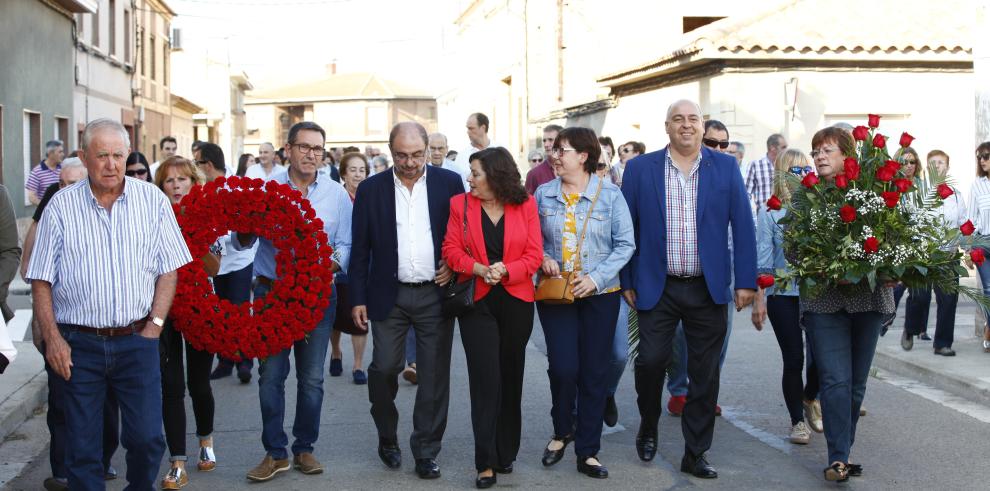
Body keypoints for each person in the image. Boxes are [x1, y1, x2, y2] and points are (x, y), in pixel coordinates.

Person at [26, 118, 192, 490]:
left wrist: (156, 326)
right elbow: (40, 278)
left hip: (137, 340)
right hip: (78, 345)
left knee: (148, 439)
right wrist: (53, 339)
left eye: (118, 155)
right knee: (84, 447)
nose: (112, 164)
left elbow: (169, 269)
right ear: (85, 157)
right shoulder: (61, 207)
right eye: (102, 155)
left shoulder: (152, 201)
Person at [621, 100, 756, 480]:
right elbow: (627, 230)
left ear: (701, 126)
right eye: (678, 120)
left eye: (692, 119)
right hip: (656, 286)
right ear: (666, 127)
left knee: (705, 373)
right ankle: (648, 423)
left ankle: (695, 452)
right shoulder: (639, 169)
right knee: (649, 361)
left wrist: (746, 281)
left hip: (706, 288)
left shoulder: (726, 167)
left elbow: (743, 226)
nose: (686, 125)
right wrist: (627, 280)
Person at [238, 122, 352, 482]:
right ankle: (275, 452)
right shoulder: (266, 190)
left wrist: (325, 265)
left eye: (318, 149)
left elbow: (346, 245)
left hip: (318, 293)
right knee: (270, 375)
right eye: (304, 147)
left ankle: (304, 447)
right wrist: (246, 225)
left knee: (312, 378)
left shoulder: (335, 194)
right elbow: (243, 244)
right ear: (288, 149)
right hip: (272, 291)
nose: (311, 154)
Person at [349, 121, 464, 479]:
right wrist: (357, 297)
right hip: (389, 295)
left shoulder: (449, 184)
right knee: (383, 368)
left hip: (435, 294)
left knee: (432, 377)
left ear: (428, 149)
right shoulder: (371, 190)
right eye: (402, 155)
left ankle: (426, 450)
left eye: (417, 154)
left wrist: (453, 264)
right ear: (390, 151)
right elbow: (360, 248)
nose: (411, 162)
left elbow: (461, 235)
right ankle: (387, 435)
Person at [534, 127, 634, 479]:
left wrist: (595, 279)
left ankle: (588, 450)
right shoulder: (543, 194)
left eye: (562, 150)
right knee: (563, 367)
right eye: (555, 150)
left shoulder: (610, 196)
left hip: (599, 296)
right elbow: (531, 240)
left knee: (594, 370)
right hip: (556, 293)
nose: (555, 156)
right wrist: (543, 257)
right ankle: (562, 431)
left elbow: (625, 244)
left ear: (583, 156)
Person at [441, 146, 541, 488]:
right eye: (470, 172)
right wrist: (481, 269)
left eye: (476, 173)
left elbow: (534, 254)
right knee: (485, 380)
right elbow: (451, 250)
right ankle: (484, 461)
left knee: (511, 377)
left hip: (517, 300)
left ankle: (505, 452)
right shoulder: (460, 205)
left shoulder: (525, 204)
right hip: (477, 302)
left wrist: (506, 271)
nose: (469, 179)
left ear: (495, 176)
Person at [801, 126, 893, 481]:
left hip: (868, 300)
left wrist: (889, 270)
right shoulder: (805, 197)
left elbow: (893, 238)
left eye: (827, 150)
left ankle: (844, 447)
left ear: (847, 156)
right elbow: (795, 249)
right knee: (835, 380)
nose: (820, 157)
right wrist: (826, 266)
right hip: (825, 302)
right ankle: (838, 457)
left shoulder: (875, 192)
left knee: (855, 384)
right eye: (816, 152)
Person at [25, 160, 120, 490]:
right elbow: (31, 269)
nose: (65, 190)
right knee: (63, 405)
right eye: (61, 184)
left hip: (105, 332)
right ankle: (63, 471)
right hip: (62, 329)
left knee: (106, 408)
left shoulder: (111, 214)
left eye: (73, 183)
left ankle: (102, 459)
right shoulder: (49, 213)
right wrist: (43, 327)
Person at [153, 156, 218, 490]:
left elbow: (214, 268)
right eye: (168, 180)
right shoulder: (150, 217)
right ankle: (177, 461)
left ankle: (205, 441)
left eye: (182, 179)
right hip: (163, 309)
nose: (176, 185)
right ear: (161, 187)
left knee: (199, 384)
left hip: (200, 308)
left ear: (194, 183)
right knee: (171, 386)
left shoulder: (207, 217)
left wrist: (192, 236)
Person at [751, 148, 822, 445]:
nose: (804, 176)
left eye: (807, 170)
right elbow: (764, 261)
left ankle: (809, 398)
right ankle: (796, 422)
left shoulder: (821, 207)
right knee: (794, 359)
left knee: (821, 359)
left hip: (818, 294)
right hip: (784, 295)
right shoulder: (770, 212)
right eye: (797, 170)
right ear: (782, 174)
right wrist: (759, 299)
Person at [666, 119, 737, 419]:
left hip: (723, 263)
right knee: (681, 334)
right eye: (712, 143)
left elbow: (744, 222)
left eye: (723, 144)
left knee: (721, 332)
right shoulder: (684, 171)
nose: (718, 149)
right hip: (685, 264)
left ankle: (705, 390)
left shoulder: (730, 171)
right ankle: (680, 390)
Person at [901, 150, 967, 356]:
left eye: (941, 163)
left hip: (948, 256)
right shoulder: (915, 194)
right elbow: (907, 224)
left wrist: (969, 247)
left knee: (948, 300)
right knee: (919, 298)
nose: (937, 166)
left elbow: (964, 223)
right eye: (932, 163)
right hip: (922, 255)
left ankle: (942, 343)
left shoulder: (956, 196)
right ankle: (911, 329)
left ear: (947, 167)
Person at [203, 144, 259, 384]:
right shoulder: (202, 190)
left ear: (207, 165)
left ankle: (245, 361)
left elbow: (238, 229)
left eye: (197, 163)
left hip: (237, 261)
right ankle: (225, 360)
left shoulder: (234, 187)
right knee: (220, 314)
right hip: (215, 264)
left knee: (239, 312)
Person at [329, 152, 370, 384]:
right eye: (353, 170)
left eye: (362, 170)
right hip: (337, 265)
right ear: (343, 173)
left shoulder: (370, 195)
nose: (357, 174)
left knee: (361, 316)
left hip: (362, 265)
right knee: (336, 315)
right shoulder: (336, 196)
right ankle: (336, 352)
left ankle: (357, 365)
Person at [968, 141, 990, 354]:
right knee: (989, 290)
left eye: (986, 156)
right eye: (980, 157)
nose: (982, 160)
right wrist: (970, 246)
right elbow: (972, 218)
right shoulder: (977, 184)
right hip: (984, 242)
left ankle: (988, 327)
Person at [453, 113, 501, 187]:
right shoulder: (462, 156)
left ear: (483, 128)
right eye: (467, 128)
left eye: (471, 128)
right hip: (469, 197)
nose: (468, 132)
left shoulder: (500, 150)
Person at [745, 133, 788, 214]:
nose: (787, 150)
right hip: (763, 216)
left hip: (785, 218)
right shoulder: (755, 165)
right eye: (784, 147)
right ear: (772, 148)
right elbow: (746, 194)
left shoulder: (788, 166)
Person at [526, 124, 562, 193]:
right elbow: (528, 202)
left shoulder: (572, 169)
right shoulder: (534, 174)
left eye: (550, 140)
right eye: (544, 141)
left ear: (561, 142)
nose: (546, 144)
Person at [27, 140, 64, 205]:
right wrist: (46, 206)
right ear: (50, 153)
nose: (63, 154)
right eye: (60, 152)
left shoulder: (64, 169)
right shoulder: (37, 172)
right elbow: (31, 197)